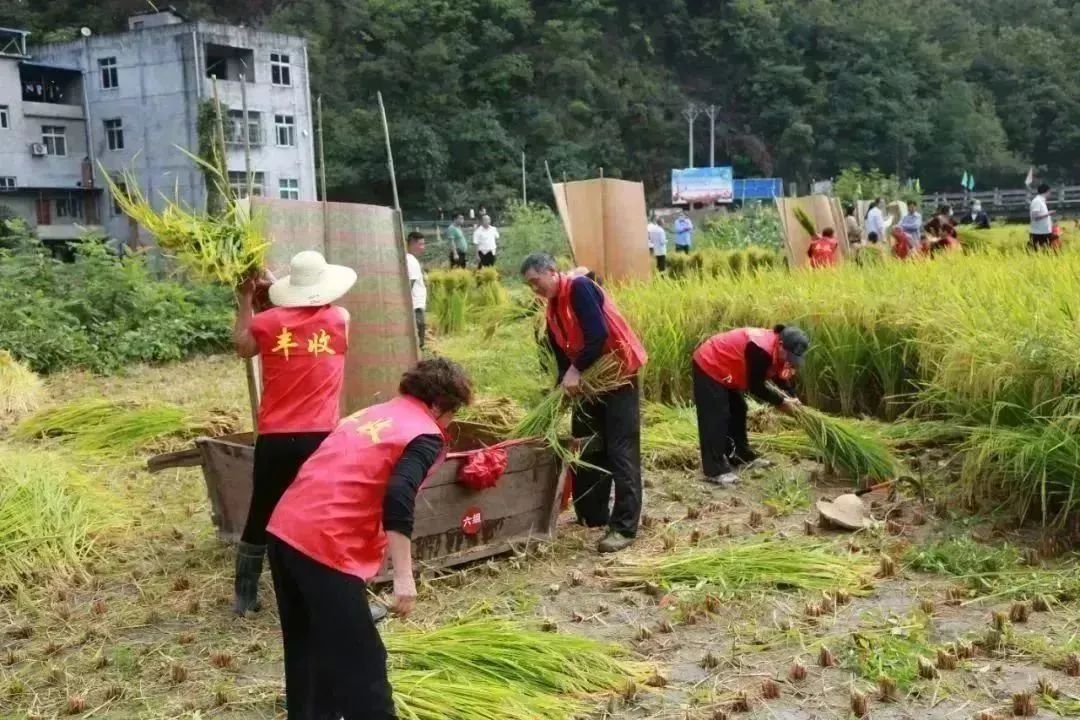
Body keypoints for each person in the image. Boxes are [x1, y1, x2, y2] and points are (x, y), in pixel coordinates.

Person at [265, 359, 472, 720]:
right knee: (362, 661)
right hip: (324, 543)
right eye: (452, 413)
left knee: (308, 650)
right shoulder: (423, 432)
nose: (448, 422)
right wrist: (404, 576)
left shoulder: (371, 414)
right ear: (440, 405)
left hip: (285, 529)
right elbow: (398, 495)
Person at [231, 250, 357, 616]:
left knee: (263, 508)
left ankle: (245, 595)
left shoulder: (267, 324)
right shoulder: (340, 319)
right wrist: (275, 292)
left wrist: (245, 300)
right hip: (320, 437)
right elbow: (314, 308)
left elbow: (242, 345)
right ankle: (335, 593)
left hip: (275, 436)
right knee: (327, 514)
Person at [520, 252, 647, 553]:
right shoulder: (552, 306)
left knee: (620, 450)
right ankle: (592, 515)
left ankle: (624, 528)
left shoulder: (579, 288)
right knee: (588, 445)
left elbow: (598, 333)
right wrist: (560, 389)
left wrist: (576, 371)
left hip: (617, 376)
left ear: (552, 271)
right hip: (589, 385)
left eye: (536, 282)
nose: (534, 289)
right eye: (529, 286)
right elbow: (563, 355)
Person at [691, 325, 808, 486]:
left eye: (794, 358)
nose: (790, 360)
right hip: (710, 362)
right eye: (789, 356)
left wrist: (793, 397)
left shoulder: (781, 354)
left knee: (739, 409)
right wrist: (781, 402)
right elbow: (756, 386)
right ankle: (714, 470)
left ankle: (740, 456)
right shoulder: (760, 350)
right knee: (717, 415)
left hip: (728, 370)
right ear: (780, 345)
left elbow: (780, 377)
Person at [406, 232, 427, 350]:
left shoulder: (410, 259)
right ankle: (419, 350)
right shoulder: (411, 260)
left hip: (415, 302)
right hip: (416, 303)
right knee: (420, 326)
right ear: (412, 243)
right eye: (421, 244)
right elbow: (410, 283)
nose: (423, 247)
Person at [1030, 183, 1055, 251]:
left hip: (1044, 232)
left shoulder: (1042, 201)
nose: (1050, 194)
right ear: (1046, 191)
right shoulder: (1037, 201)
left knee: (1048, 253)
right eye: (1049, 192)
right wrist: (1049, 213)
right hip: (1038, 233)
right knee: (1039, 253)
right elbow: (1035, 216)